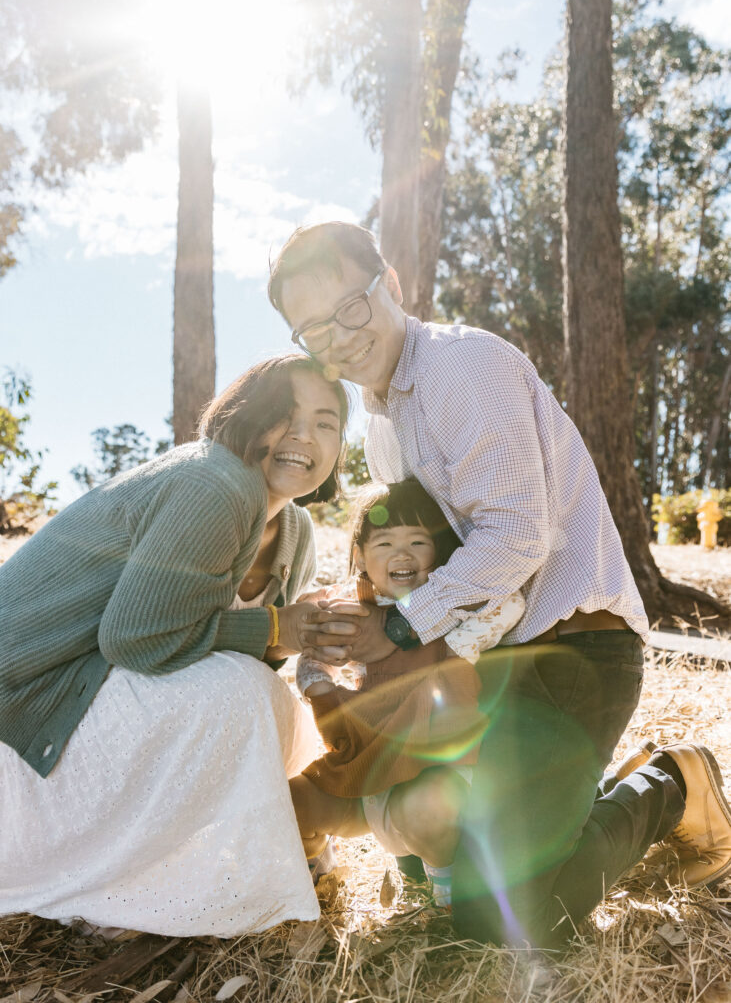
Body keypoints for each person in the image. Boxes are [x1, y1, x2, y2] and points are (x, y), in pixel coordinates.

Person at [267, 221, 731, 950]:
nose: (339, 337)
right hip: (489, 666)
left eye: (350, 307)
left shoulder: (461, 366)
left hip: (576, 648)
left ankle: (672, 782)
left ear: (389, 285)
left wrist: (395, 629)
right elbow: (410, 562)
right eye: (314, 329)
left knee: (513, 921)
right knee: (473, 891)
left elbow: (517, 534)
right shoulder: (383, 426)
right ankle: (565, 814)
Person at [0, 354, 361, 938]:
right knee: (242, 694)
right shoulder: (214, 483)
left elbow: (248, 649)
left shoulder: (295, 530)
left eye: (325, 422)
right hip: (25, 712)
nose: (303, 436)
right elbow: (136, 640)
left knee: (270, 700)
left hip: (84, 694)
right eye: (284, 416)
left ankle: (184, 862)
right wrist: (278, 627)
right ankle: (125, 888)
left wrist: (320, 630)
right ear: (245, 417)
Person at [290, 478, 524, 906]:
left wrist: (431, 602)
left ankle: (446, 893)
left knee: (428, 808)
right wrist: (317, 682)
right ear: (359, 556)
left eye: (418, 542)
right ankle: (318, 873)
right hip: (365, 768)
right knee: (292, 802)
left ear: (438, 554)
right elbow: (312, 655)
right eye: (384, 544)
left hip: (433, 770)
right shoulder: (355, 611)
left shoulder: (453, 613)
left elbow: (510, 603)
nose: (402, 555)